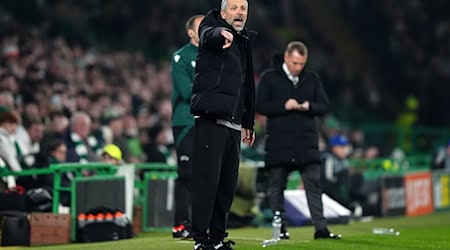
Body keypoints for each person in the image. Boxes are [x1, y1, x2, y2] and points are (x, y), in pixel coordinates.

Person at [256, 41, 341, 240]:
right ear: (286, 58)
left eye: (302, 64)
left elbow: (324, 105)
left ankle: (321, 229)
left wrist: (308, 106)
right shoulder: (270, 77)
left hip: (306, 144)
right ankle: (281, 229)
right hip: (279, 143)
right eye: (295, 63)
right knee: (276, 187)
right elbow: (260, 105)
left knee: (314, 186)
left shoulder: (311, 78)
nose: (298, 68)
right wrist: (284, 105)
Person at [190, 0, 256, 249]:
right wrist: (221, 34)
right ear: (223, 12)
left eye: (244, 9)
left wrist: (248, 120)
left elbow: (247, 83)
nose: (240, 13)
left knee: (227, 185)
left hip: (234, 123)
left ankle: (217, 239)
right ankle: (200, 239)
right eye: (235, 8)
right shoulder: (211, 24)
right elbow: (207, 35)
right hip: (211, 118)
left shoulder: (245, 40)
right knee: (206, 181)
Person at [170, 14, 204, 239]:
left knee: (205, 175)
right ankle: (181, 224)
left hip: (208, 121)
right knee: (187, 174)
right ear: (191, 33)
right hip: (186, 123)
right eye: (202, 27)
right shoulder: (180, 57)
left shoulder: (215, 56)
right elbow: (186, 91)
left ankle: (200, 223)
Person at [321, 134, 364, 218]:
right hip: (330, 194)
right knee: (345, 175)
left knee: (357, 176)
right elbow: (326, 181)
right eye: (341, 147)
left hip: (340, 191)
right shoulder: (328, 159)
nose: (344, 149)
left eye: (345, 146)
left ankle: (354, 203)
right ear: (334, 148)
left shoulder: (343, 160)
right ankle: (346, 205)